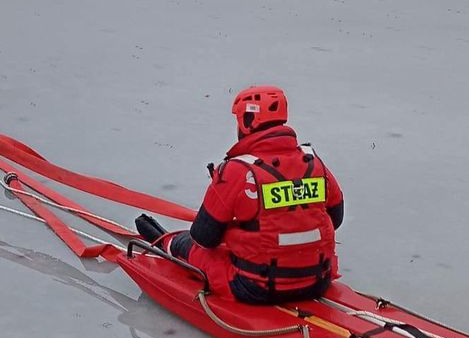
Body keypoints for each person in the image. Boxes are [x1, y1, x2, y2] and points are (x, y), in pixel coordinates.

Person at [135, 86, 343, 304]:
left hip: (254, 287)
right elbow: (336, 218)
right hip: (318, 280)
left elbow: (204, 238)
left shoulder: (238, 170)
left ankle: (166, 244)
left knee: (189, 245)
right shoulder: (314, 162)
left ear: (247, 121)